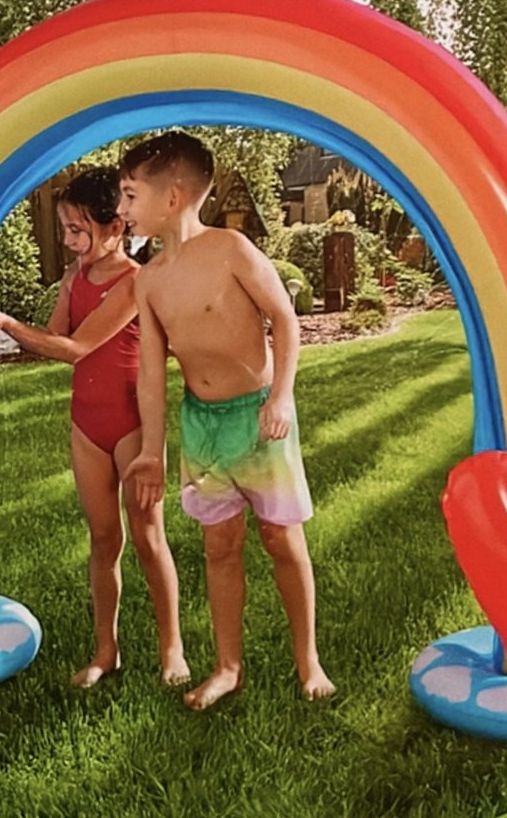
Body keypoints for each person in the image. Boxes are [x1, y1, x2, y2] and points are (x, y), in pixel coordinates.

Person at [118, 131, 335, 710]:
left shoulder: (232, 249)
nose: (121, 209)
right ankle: (227, 666)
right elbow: (150, 372)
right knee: (220, 546)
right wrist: (151, 448)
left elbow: (284, 321)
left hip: (257, 418)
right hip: (204, 424)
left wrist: (282, 396)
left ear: (172, 197)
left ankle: (308, 661)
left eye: (129, 195)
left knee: (281, 539)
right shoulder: (149, 279)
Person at [0, 167, 189, 688]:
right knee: (104, 540)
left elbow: (80, 347)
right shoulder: (74, 278)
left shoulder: (136, 281)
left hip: (132, 424)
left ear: (115, 228)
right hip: (87, 424)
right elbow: (56, 340)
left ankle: (171, 648)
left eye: (78, 229)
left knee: (149, 538)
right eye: (65, 228)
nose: (68, 240)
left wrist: (9, 322)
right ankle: (107, 652)